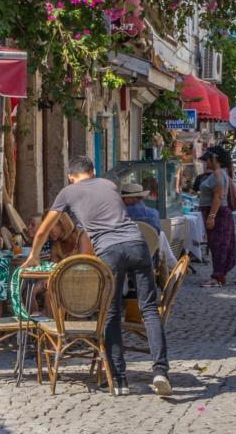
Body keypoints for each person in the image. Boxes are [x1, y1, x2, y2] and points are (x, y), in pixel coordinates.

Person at [25, 155, 172, 397]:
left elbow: (43, 229)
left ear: (71, 176)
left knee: (111, 312)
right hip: (137, 243)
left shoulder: (68, 192)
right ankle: (160, 371)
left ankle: (120, 380)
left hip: (109, 251)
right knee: (149, 309)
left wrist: (34, 255)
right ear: (93, 171)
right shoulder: (109, 185)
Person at [197, 146, 236, 288]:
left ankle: (217, 277)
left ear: (214, 159)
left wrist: (211, 216)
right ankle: (220, 275)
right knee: (219, 245)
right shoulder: (220, 173)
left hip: (217, 213)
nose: (206, 162)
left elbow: (218, 196)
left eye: (207, 159)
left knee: (218, 245)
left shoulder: (218, 174)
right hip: (218, 213)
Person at [120, 182, 177, 273]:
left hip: (124, 258)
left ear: (129, 198)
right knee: (161, 237)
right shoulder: (153, 213)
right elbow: (157, 234)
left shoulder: (120, 214)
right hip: (149, 258)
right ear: (141, 197)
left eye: (122, 198)